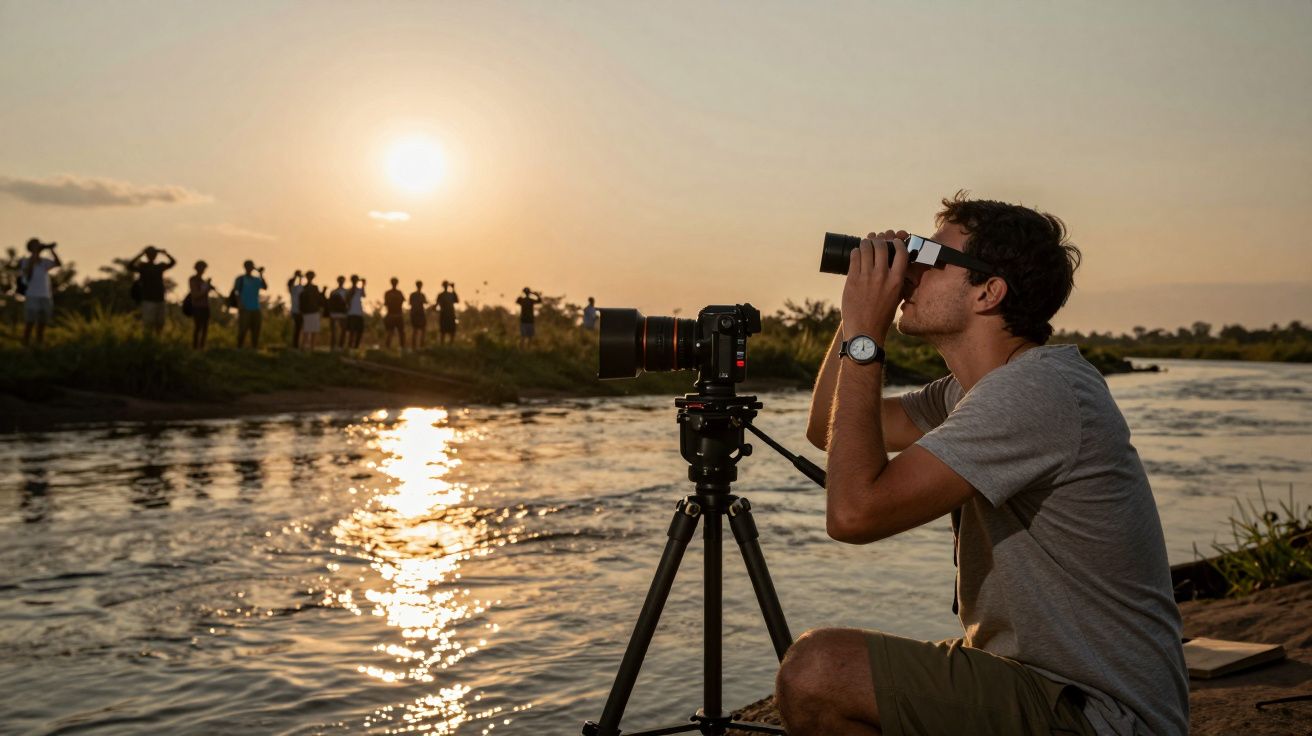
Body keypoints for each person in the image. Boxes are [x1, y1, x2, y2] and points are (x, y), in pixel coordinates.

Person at [773, 194, 1188, 736]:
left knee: (820, 670)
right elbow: (827, 426)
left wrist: (866, 330)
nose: (909, 269)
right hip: (1041, 685)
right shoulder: (972, 392)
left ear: (989, 291)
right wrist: (857, 318)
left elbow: (854, 515)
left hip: (1100, 712)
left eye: (928, 257)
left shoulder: (1036, 390)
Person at [17, 238, 60, 347]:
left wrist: (51, 249)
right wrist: (35, 256)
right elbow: (28, 275)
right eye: (35, 245)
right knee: (30, 322)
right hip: (32, 296)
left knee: (42, 322)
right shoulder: (25, 261)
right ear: (30, 248)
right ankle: (25, 344)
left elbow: (58, 263)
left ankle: (39, 344)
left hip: (45, 296)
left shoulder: (44, 262)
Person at [129, 245, 176, 336]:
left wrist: (165, 254)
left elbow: (173, 262)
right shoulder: (143, 267)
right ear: (147, 255)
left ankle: (156, 341)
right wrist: (141, 254)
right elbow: (130, 266)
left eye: (154, 253)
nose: (152, 255)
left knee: (160, 323)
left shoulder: (159, 266)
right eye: (150, 254)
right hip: (148, 299)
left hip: (160, 299)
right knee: (148, 323)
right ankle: (148, 340)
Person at [232, 261, 267, 349]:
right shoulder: (240, 279)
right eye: (248, 266)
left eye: (251, 266)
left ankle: (254, 349)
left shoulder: (256, 279)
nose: (250, 268)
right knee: (242, 329)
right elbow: (236, 292)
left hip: (256, 308)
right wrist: (239, 304)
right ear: (245, 267)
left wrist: (261, 274)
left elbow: (265, 287)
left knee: (256, 329)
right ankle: (239, 348)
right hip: (244, 308)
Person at [187, 260, 221, 350]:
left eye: (203, 268)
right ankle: (195, 347)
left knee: (205, 328)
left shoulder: (203, 281)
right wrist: (206, 288)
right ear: (197, 268)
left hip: (205, 307)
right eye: (201, 268)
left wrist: (208, 286)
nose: (203, 270)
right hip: (197, 307)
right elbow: (195, 295)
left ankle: (202, 347)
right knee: (198, 327)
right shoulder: (193, 279)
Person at [298, 271, 325, 351]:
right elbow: (301, 300)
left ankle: (312, 348)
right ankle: (303, 347)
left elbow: (319, 299)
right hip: (306, 312)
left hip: (314, 311)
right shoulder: (304, 288)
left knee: (314, 330)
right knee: (306, 330)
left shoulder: (315, 287)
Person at [383, 277, 407, 351]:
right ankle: (402, 348)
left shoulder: (388, 293)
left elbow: (386, 303)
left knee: (390, 332)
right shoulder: (399, 293)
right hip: (397, 315)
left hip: (391, 315)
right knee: (401, 333)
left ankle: (387, 348)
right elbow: (403, 301)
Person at [328, 275, 349, 350]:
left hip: (341, 313)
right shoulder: (334, 291)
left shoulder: (343, 291)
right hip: (336, 313)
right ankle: (334, 346)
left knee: (342, 330)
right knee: (334, 331)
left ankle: (340, 346)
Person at [346, 275, 366, 349]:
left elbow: (364, 295)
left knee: (359, 331)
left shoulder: (359, 290)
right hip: (351, 313)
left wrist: (363, 285)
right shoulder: (349, 290)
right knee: (352, 331)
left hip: (359, 313)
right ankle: (350, 346)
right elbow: (347, 298)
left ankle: (356, 346)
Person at [436, 280, 459, 345]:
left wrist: (453, 289)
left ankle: (450, 345)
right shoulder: (441, 295)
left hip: (450, 314)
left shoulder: (451, 294)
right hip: (444, 314)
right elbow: (437, 304)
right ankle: (443, 345)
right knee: (443, 331)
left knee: (452, 331)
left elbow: (457, 300)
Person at [409, 280, 429, 349]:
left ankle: (418, 346)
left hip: (417, 314)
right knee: (419, 330)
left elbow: (410, 303)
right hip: (418, 314)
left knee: (418, 330)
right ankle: (418, 346)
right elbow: (425, 302)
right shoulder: (420, 295)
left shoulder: (414, 295)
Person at [287, 271, 304, 349]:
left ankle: (297, 345)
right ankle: (295, 345)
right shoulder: (293, 288)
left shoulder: (302, 288)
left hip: (301, 311)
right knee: (296, 328)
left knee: (299, 329)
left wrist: (300, 278)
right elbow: (290, 283)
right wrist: (296, 277)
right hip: (295, 311)